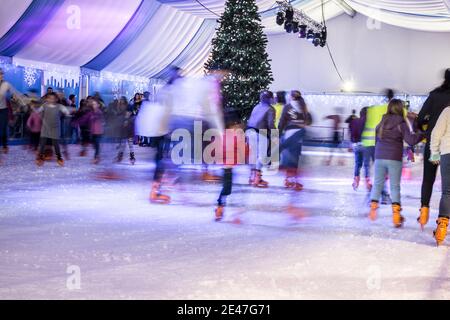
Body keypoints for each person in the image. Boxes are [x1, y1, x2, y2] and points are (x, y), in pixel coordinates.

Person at [368, 99, 424, 228]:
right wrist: (423, 134)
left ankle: (372, 210)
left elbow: (376, 140)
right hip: (394, 158)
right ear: (400, 109)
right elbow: (411, 140)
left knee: (377, 184)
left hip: (379, 157)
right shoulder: (401, 123)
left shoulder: (381, 122)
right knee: (394, 187)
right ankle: (396, 217)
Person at [416, 68, 450, 229]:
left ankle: (424, 212)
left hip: (433, 142)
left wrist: (425, 130)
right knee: (447, 188)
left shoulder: (435, 95)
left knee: (428, 179)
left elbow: (420, 117)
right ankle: (443, 222)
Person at [361, 89, 395, 198]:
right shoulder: (394, 110)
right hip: (381, 143)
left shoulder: (373, 108)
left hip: (367, 142)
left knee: (367, 165)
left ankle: (369, 187)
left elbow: (364, 123)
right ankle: (383, 192)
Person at [214, 108, 246, 221]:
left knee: (228, 188)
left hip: (227, 166)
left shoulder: (224, 134)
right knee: (227, 189)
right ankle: (220, 207)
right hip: (228, 166)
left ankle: (221, 207)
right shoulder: (235, 135)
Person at [278, 90, 312, 191]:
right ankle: (294, 180)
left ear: (291, 97)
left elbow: (282, 121)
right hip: (299, 136)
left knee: (288, 158)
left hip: (289, 134)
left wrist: (278, 133)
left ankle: (288, 180)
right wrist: (301, 123)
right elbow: (309, 121)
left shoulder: (288, 107)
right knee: (295, 158)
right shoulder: (304, 107)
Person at [429, 106, 450, 245]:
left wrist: (434, 151)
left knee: (447, 192)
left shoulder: (448, 110)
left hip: (448, 153)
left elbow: (436, 132)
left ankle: (441, 230)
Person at [246, 91, 275, 188]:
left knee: (253, 155)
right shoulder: (270, 109)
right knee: (262, 155)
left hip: (250, 131)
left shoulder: (256, 107)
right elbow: (270, 124)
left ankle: (252, 177)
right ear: (269, 99)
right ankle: (257, 179)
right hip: (261, 132)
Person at [35, 93, 70, 166]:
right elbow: (38, 111)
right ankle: (40, 156)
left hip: (55, 128)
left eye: (53, 98)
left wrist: (67, 113)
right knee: (42, 143)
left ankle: (59, 157)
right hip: (45, 128)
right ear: (46, 99)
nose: (51, 100)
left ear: (56, 99)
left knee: (56, 144)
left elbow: (65, 110)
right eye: (49, 98)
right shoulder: (44, 105)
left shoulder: (59, 106)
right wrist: (36, 111)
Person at [73, 99, 104, 164]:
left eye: (95, 104)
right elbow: (84, 119)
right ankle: (97, 155)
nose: (93, 105)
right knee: (94, 144)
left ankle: (96, 157)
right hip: (93, 132)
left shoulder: (99, 112)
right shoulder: (90, 113)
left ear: (98, 105)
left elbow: (99, 117)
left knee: (97, 143)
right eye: (93, 104)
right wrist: (77, 122)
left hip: (99, 131)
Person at [0, 68, 22, 154]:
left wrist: (23, 99)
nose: (1, 76)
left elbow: (15, 92)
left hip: (3, 110)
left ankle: (5, 145)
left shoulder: (6, 84)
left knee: (2, 128)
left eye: (1, 74)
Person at [349, 107, 369, 190]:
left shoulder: (354, 121)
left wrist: (351, 144)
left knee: (357, 164)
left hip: (357, 145)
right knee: (366, 165)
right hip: (366, 145)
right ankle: (367, 182)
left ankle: (356, 180)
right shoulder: (368, 122)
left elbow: (352, 134)